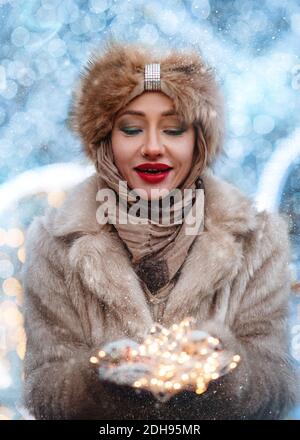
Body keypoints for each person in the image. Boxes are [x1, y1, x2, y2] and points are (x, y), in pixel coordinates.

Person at [21, 40, 297, 420]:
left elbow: (278, 389)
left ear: (199, 142)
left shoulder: (258, 239)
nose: (153, 147)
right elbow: (44, 392)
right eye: (132, 129)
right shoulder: (52, 245)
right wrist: (95, 379)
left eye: (173, 129)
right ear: (105, 142)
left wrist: (224, 368)